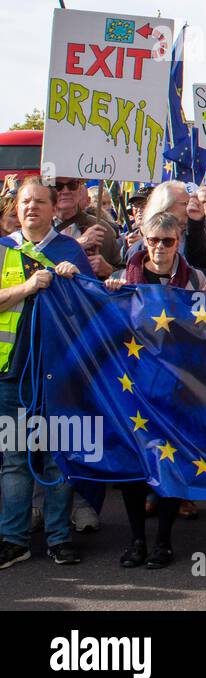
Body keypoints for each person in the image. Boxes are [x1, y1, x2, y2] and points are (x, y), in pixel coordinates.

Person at [102, 211, 206, 566]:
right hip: (134, 386)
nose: (159, 248)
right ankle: (135, 540)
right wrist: (105, 289)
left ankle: (163, 540)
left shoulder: (194, 280)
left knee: (169, 461)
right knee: (134, 464)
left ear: (179, 240)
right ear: (142, 239)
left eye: (168, 241)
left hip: (177, 388)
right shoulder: (122, 278)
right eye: (152, 241)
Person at [0, 176, 93, 569]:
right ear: (15, 208)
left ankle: (59, 537)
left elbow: (94, 311)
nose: (31, 208)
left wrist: (78, 283)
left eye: (39, 201)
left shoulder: (70, 249)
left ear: (55, 208)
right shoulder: (3, 249)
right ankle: (13, 538)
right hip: (11, 374)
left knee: (57, 458)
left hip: (60, 374)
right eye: (25, 202)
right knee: (16, 460)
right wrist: (27, 287)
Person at [52, 176, 121, 278]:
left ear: (80, 189)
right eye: (58, 186)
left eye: (72, 185)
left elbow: (125, 275)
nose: (66, 191)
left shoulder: (101, 228)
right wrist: (77, 245)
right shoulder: (38, 226)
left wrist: (108, 270)